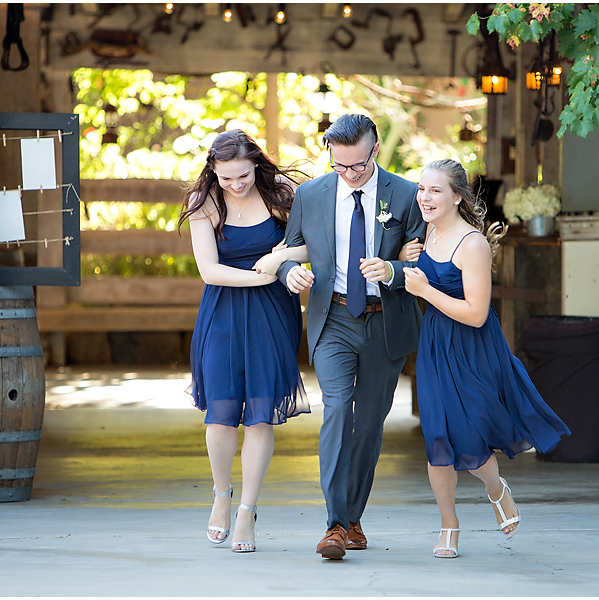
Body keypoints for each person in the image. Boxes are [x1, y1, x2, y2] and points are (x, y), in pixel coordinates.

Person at [272, 114, 426, 560]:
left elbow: (424, 258)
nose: (348, 174)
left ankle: (353, 517)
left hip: (385, 322)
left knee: (371, 422)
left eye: (356, 166)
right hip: (333, 317)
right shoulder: (310, 194)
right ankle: (336, 525)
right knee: (337, 410)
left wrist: (394, 269)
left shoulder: (407, 194)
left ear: (375, 150)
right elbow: (288, 251)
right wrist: (290, 273)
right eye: (339, 166)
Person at [403, 159, 570, 558]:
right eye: (422, 189)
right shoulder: (425, 232)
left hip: (472, 346)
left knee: (470, 433)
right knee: (438, 438)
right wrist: (404, 255)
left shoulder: (472, 244)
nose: (425, 197)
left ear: (457, 197)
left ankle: (496, 488)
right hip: (436, 346)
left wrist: (425, 291)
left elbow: (476, 313)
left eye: (435, 190)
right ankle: (449, 525)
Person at [179, 129, 310, 553]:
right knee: (219, 414)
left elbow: (311, 245)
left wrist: (281, 257)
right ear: (213, 171)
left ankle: (247, 512)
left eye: (243, 176)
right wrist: (265, 274)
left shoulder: (282, 194)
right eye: (227, 177)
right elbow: (210, 272)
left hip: (272, 315)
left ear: (256, 163)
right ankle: (221, 495)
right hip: (222, 312)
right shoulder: (204, 204)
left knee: (258, 414)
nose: (236, 185)